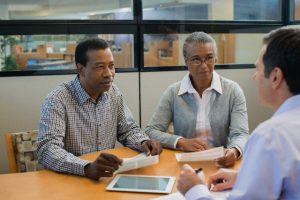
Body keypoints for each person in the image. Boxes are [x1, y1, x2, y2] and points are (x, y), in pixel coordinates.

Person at [177, 26, 300, 199]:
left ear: (275, 77)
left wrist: (194, 189)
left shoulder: (271, 136)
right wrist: (245, 178)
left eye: (257, 69)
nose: (254, 77)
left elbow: (241, 133)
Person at [37, 38, 162, 180]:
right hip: (71, 178)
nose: (109, 73)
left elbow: (128, 130)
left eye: (111, 66)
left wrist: (143, 142)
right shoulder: (57, 99)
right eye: (100, 67)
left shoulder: (113, 92)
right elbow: (47, 149)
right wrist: (86, 167)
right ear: (81, 69)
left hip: (105, 177)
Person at [145, 32, 249, 167]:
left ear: (215, 59)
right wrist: (181, 141)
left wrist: (234, 151)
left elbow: (241, 133)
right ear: (186, 61)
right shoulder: (173, 93)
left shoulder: (233, 91)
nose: (204, 65)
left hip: (222, 162)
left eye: (209, 58)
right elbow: (151, 131)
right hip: (185, 163)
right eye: (196, 59)